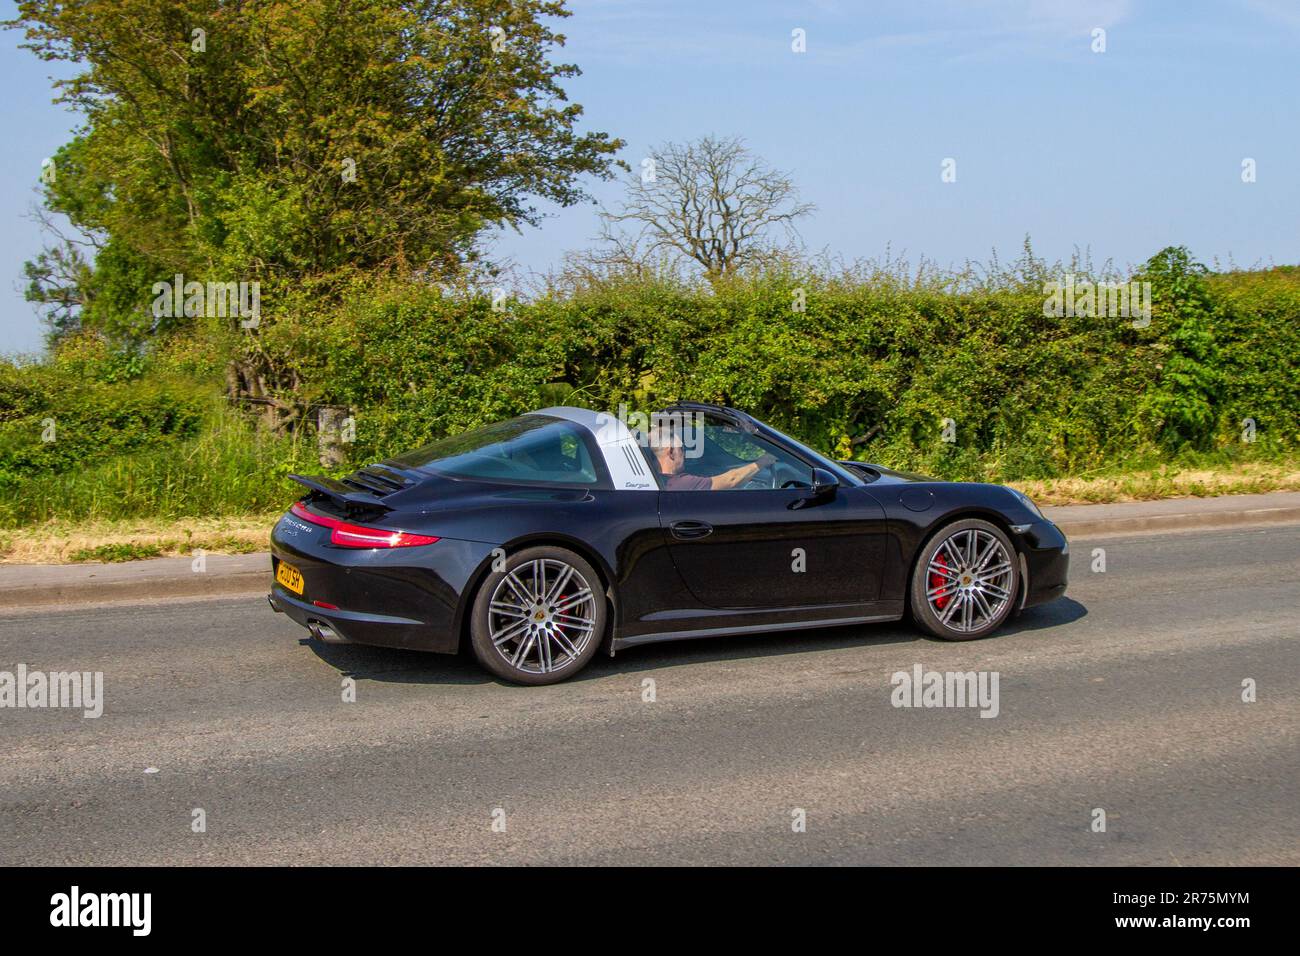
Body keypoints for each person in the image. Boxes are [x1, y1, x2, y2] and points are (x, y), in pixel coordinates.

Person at [650, 428, 776, 491]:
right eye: (681, 449)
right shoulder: (682, 484)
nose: (685, 454)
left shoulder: (658, 481)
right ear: (671, 452)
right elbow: (732, 479)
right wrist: (763, 462)